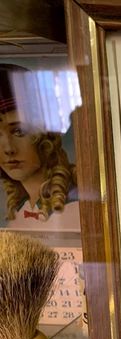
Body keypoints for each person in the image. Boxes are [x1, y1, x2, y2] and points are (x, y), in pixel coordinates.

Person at [0, 64, 80, 231]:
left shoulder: (75, 206)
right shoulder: (22, 208)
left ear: (45, 135)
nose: (9, 149)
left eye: (19, 131)